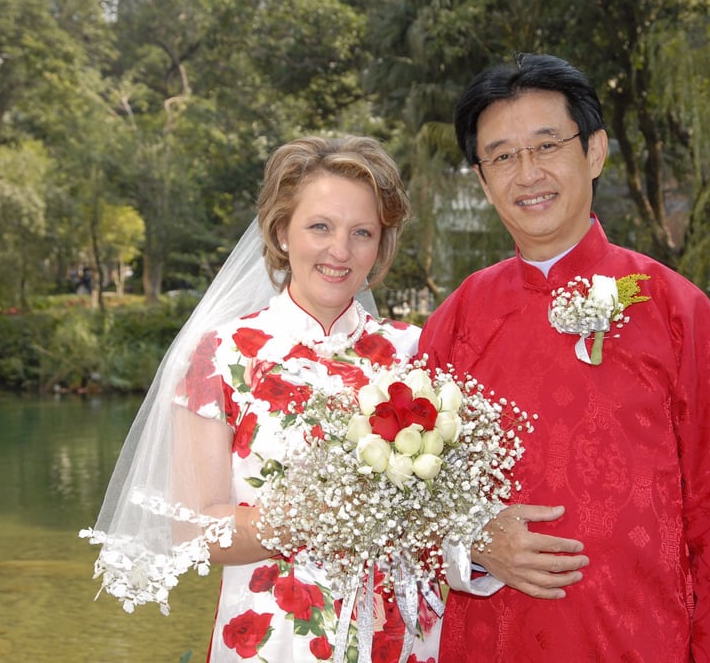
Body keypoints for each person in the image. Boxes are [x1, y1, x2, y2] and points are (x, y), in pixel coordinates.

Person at [419, 53, 710, 661]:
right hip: (489, 641)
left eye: (547, 145)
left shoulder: (674, 310)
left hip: (638, 640)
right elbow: (407, 504)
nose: (527, 173)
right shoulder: (459, 319)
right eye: (501, 155)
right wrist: (470, 539)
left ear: (596, 151)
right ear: (481, 179)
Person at [80, 136, 441, 662]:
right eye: (320, 226)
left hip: (398, 633)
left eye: (361, 232)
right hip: (276, 636)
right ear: (280, 231)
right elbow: (196, 529)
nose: (340, 250)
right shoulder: (221, 356)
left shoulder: (415, 353)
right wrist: (324, 513)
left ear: (380, 245)